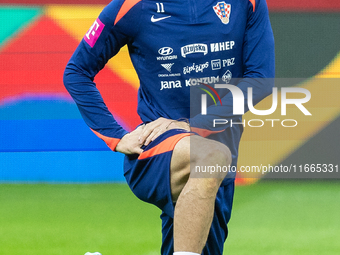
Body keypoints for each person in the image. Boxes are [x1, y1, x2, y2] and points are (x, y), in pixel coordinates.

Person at [63, 0, 275, 254]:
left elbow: (260, 81)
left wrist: (193, 125)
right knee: (210, 156)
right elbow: (77, 71)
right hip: (159, 149)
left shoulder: (247, 3)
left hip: (221, 156)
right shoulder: (132, 7)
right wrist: (116, 137)